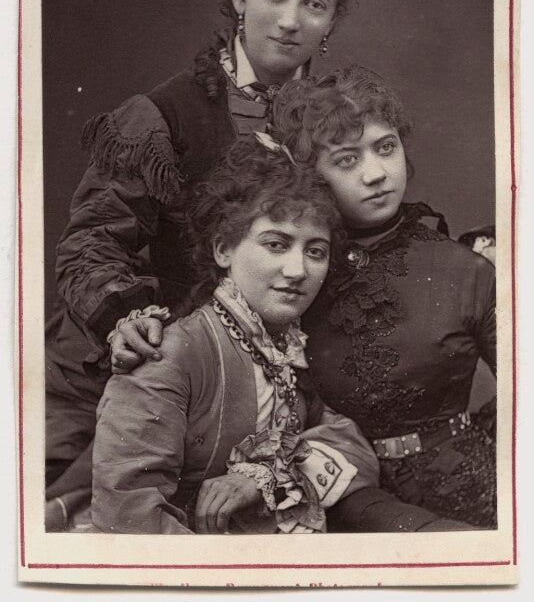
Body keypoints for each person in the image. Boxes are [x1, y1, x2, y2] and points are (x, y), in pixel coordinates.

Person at [45, 0, 367, 518]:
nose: (290, 21)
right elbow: (90, 243)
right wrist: (127, 318)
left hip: (265, 375)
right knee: (66, 515)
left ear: (331, 20)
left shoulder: (336, 122)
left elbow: (370, 212)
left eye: (314, 4)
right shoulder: (161, 117)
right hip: (140, 364)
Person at [90, 134, 472, 534]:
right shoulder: (169, 353)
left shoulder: (286, 347)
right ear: (223, 250)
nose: (297, 271)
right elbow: (129, 520)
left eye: (315, 251)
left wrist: (263, 478)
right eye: (276, 244)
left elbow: (354, 447)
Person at [271, 66, 496, 529]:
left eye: (386, 147)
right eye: (347, 160)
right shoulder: (294, 275)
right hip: (333, 505)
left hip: (466, 499)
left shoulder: (465, 270)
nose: (376, 174)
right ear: (312, 176)